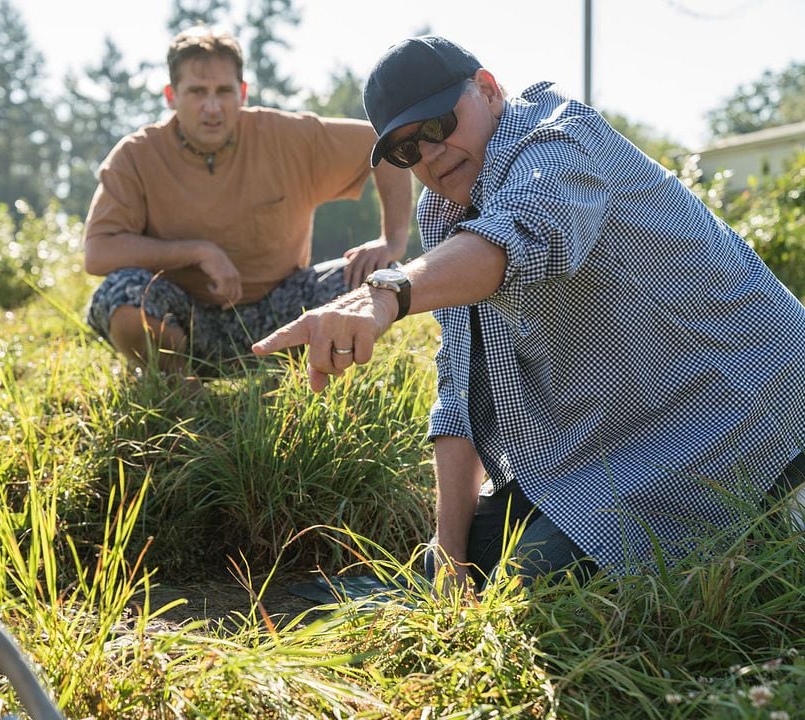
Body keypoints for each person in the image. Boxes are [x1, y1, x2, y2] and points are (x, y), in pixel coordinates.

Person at [253, 35, 805, 590]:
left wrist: (386, 294)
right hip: (619, 441)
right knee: (449, 565)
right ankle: (726, 534)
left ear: (489, 91)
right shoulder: (443, 210)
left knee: (528, 582)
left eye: (438, 125)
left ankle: (770, 522)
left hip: (743, 406)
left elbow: (519, 233)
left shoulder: (561, 137)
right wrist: (449, 550)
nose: (429, 154)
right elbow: (460, 384)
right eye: (405, 150)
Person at [84, 26, 412, 375]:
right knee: (119, 294)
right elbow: (99, 253)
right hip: (182, 318)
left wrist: (391, 241)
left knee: (380, 279)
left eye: (223, 91)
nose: (212, 107)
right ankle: (181, 388)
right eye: (197, 91)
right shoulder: (136, 156)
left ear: (241, 92)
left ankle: (312, 378)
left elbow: (381, 144)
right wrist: (197, 251)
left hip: (285, 313)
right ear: (171, 95)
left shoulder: (286, 137)